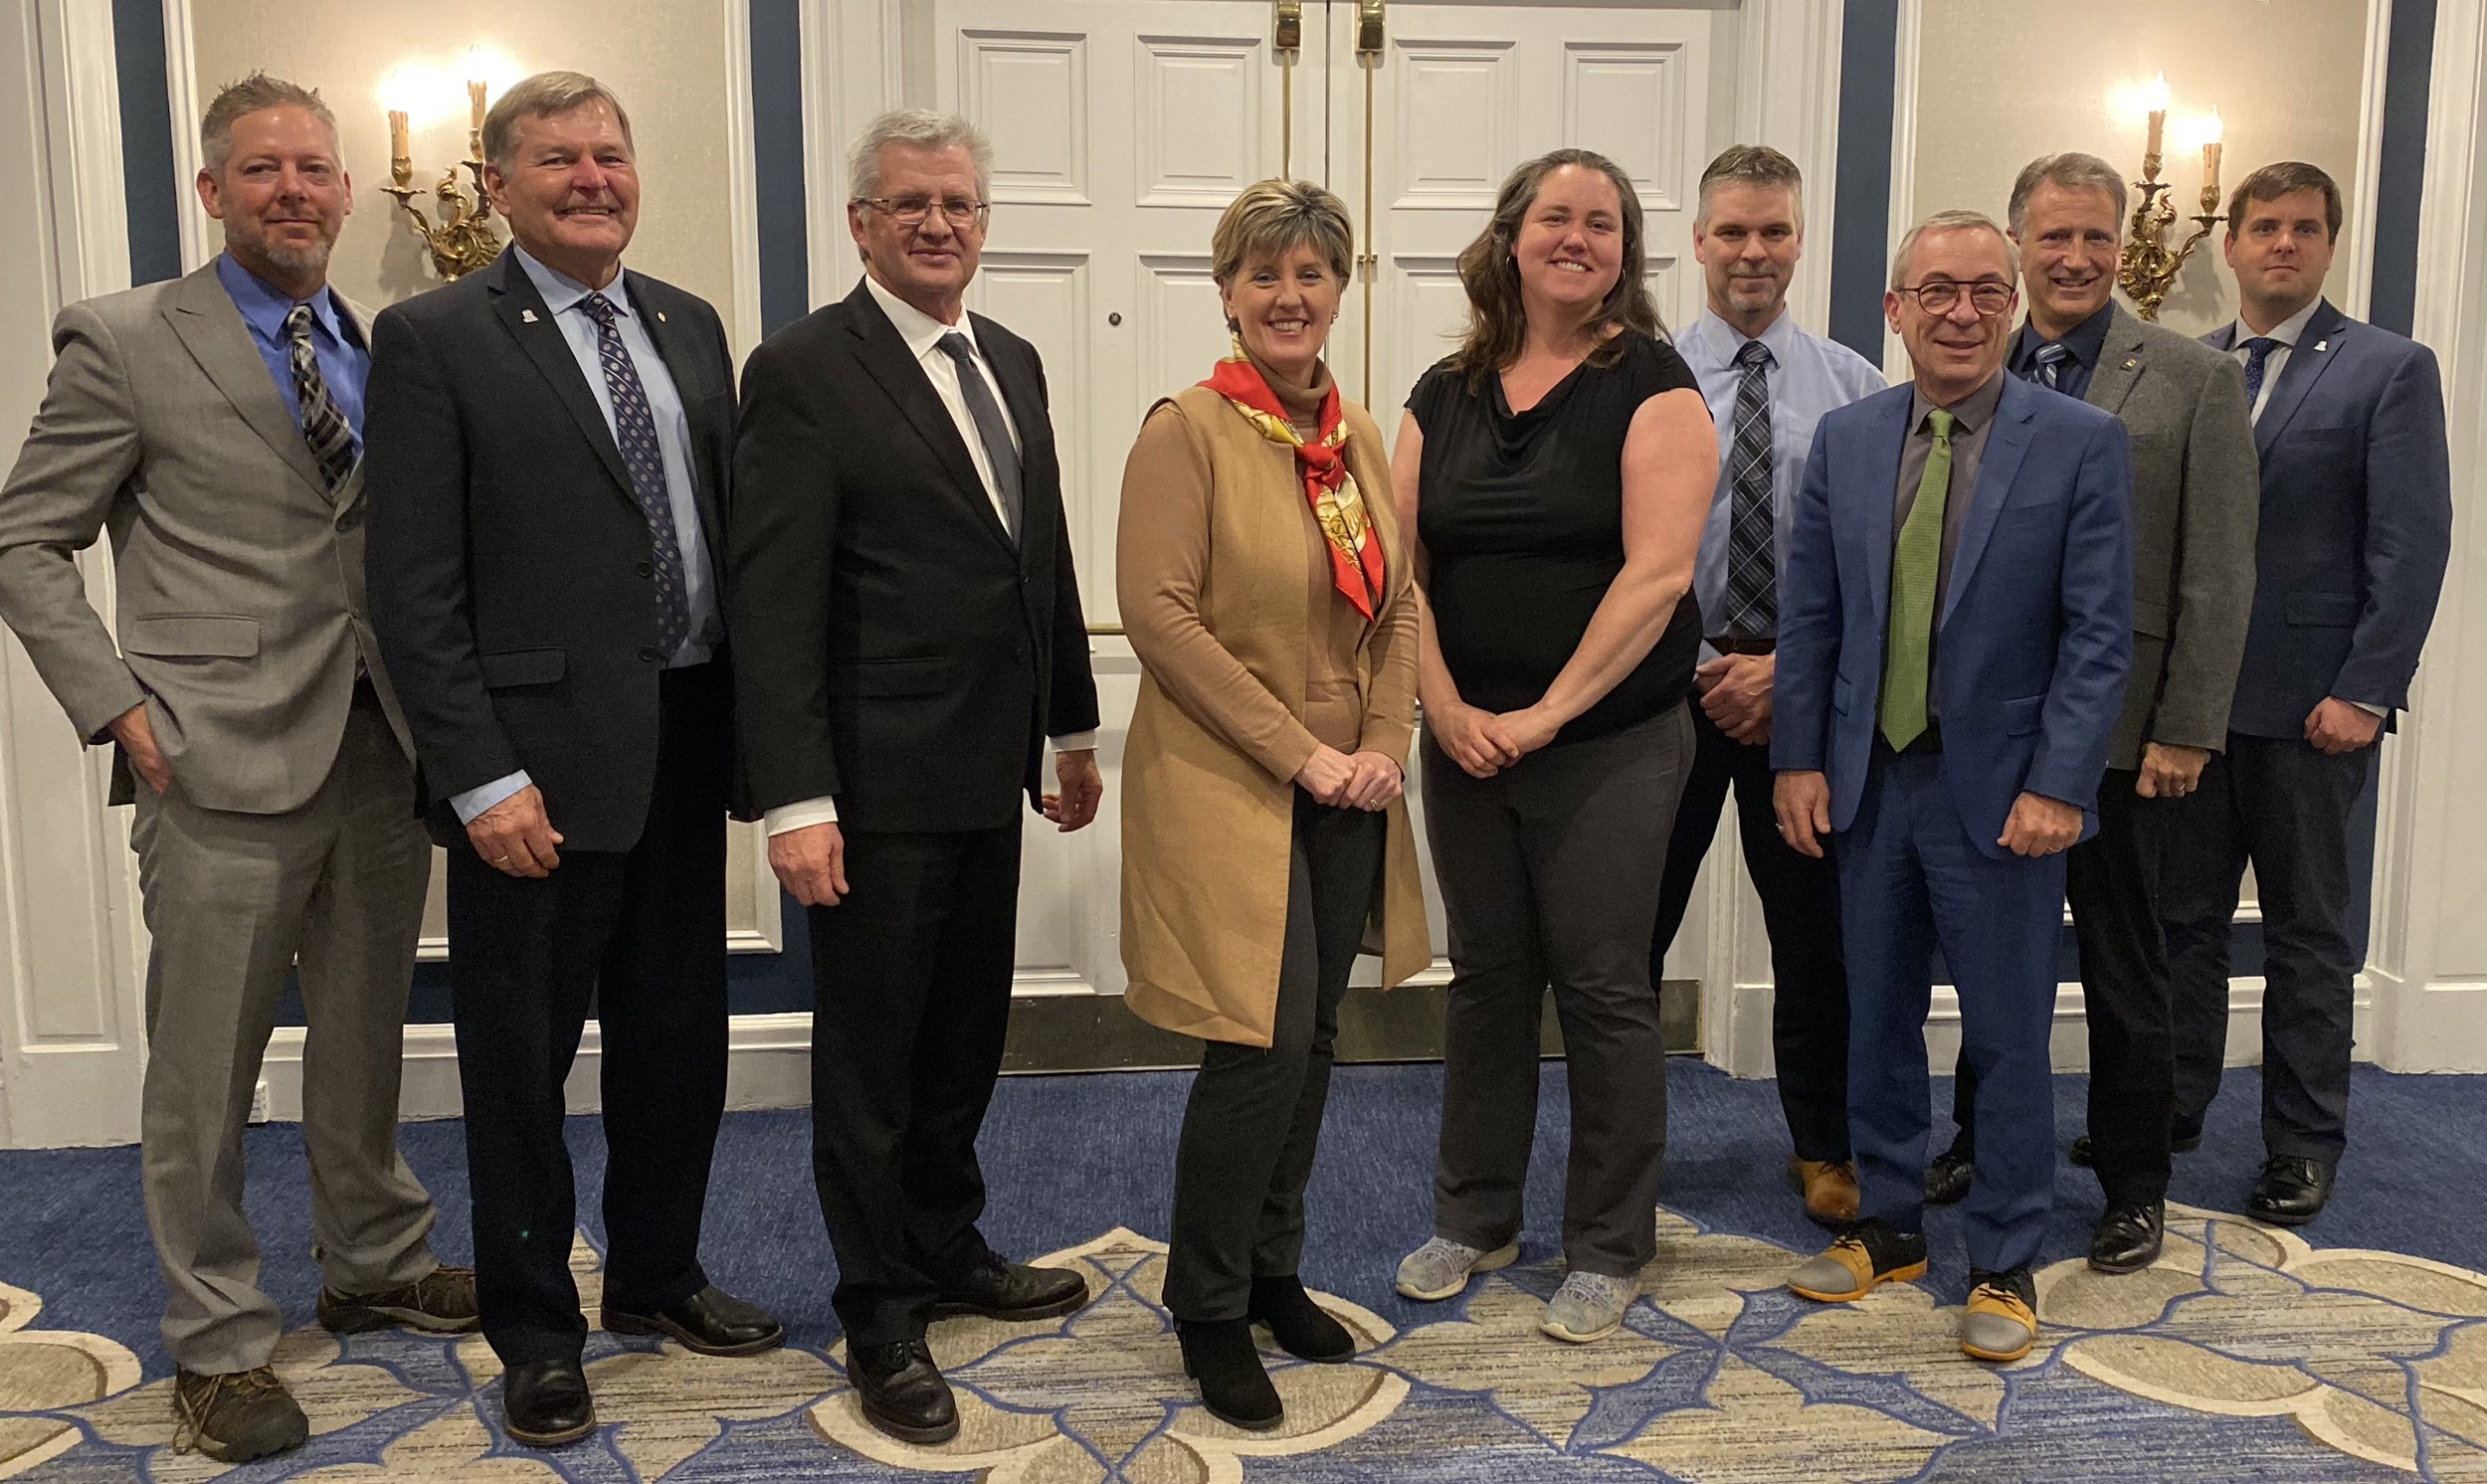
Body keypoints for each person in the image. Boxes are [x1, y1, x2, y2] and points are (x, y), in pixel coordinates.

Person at [0, 74, 477, 1464]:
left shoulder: (385, 346)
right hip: (210, 755)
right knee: (204, 1071)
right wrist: (115, 706)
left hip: (378, 743)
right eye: (261, 170)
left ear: (343, 191)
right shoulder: (129, 338)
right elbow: (25, 539)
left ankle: (373, 1259)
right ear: (214, 193)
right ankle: (214, 1340)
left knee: (365, 1030)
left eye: (314, 170)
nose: (294, 191)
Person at [363, 71, 782, 1450]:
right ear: (496, 182)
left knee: (677, 1047)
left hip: (681, 751)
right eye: (560, 159)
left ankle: (658, 1281)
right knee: (520, 1067)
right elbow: (414, 586)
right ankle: (538, 1332)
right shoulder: (433, 337)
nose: (594, 177)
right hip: (531, 778)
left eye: (612, 153)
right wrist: (481, 777)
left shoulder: (689, 324)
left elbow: (721, 539)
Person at [727, 109, 1103, 1447]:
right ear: (861, 227)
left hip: (987, 771)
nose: (937, 224)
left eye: (958, 203)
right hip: (870, 792)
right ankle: (877, 1305)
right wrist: (796, 799)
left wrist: (1069, 728)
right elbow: (772, 608)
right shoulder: (803, 371)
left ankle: (948, 1246)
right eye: (909, 205)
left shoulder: (1010, 356)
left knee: (963, 1038)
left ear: (982, 224)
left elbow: (1037, 558)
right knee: (874, 1063)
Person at [1774, 211, 2131, 1364]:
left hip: (2008, 797)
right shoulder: (1847, 437)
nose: (1962, 313)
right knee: (1872, 1015)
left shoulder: (2076, 441)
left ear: (2013, 301)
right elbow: (1813, 617)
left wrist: (2060, 784)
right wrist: (1796, 758)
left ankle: (2008, 1258)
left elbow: (2096, 635)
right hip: (1870, 783)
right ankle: (1888, 1224)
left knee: (2009, 1036)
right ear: (1896, 309)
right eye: (1936, 292)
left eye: (1985, 290)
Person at [1389, 148, 1717, 1346]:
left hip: (1610, 746)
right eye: (1554, 218)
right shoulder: (1440, 392)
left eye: (1603, 223)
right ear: (1510, 238)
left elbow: (1658, 576)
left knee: (1600, 987)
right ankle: (1474, 1218)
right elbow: (1400, 574)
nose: (1576, 237)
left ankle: (1608, 1241)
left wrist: (1544, 714)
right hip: (1465, 739)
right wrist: (1448, 707)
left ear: (1624, 252)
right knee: (1485, 983)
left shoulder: (1658, 388)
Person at [1116, 179, 1430, 1430]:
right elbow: (1160, 618)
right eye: (1264, 277)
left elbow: (1397, 603)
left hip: (1352, 780)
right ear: (1227, 294)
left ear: (1339, 292)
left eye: (1311, 276)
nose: (1289, 296)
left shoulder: (1351, 436)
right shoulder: (1186, 429)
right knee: (1253, 1042)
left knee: (1314, 1041)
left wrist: (1387, 741)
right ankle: (1204, 1305)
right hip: (1233, 778)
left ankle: (1270, 1269)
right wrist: (1304, 753)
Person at [1926, 154, 2259, 1276]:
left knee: (2124, 967)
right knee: (1988, 957)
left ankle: (2132, 1181)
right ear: (2017, 247)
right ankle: (1982, 1139)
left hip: (2128, 740)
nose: (2075, 259)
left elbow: (2218, 569)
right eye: (2053, 238)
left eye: (2097, 240)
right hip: (1989, 731)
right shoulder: (1973, 371)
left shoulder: (2189, 379)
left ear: (2126, 247)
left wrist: (2187, 725)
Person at [2159, 161, 2451, 1225]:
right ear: (2227, 245)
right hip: (2191, 714)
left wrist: (2365, 692)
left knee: (2305, 935)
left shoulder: (2386, 369)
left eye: (2305, 228)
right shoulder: (2189, 367)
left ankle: (2302, 1143)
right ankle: (2172, 1106)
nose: (2283, 243)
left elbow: (2411, 546)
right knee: (2178, 923)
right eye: (2265, 226)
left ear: (2328, 245)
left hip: (2312, 711)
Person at [1649, 145, 1884, 1227]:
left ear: (1798, 240)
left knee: (1815, 938)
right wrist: (1700, 668)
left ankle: (1824, 1145)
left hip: (1804, 693)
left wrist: (1787, 671)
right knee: (1628, 936)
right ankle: (1620, 1152)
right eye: (1732, 231)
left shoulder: (1855, 386)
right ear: (1697, 241)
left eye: (1774, 231)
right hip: (1662, 693)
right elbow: (1616, 553)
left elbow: (1876, 568)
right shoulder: (1639, 380)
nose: (1753, 251)